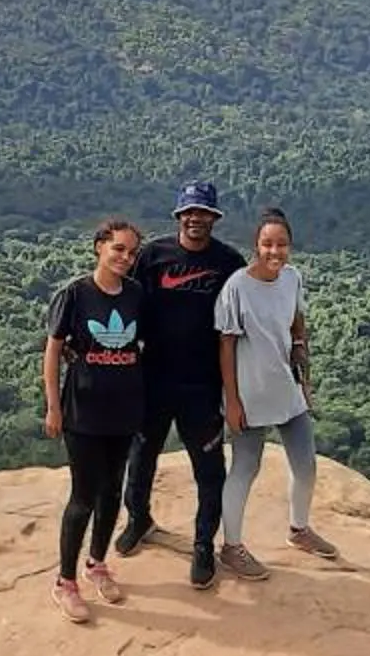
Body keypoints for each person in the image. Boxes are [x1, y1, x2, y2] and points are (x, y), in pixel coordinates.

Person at [117, 180, 246, 590]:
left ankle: (204, 544)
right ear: (178, 216)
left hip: (202, 385)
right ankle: (139, 519)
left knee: (210, 470)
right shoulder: (153, 255)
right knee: (141, 457)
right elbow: (123, 303)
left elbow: (243, 323)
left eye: (204, 213)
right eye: (189, 212)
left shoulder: (228, 263)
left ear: (214, 217)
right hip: (152, 378)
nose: (196, 219)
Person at [214, 207, 337, 580]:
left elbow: (297, 317)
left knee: (306, 465)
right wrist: (232, 401)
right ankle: (231, 547)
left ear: (291, 247)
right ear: (256, 245)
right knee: (244, 468)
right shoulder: (237, 287)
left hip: (287, 390)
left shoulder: (292, 278)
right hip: (251, 395)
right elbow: (226, 345)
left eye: (282, 244)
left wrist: (299, 345)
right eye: (267, 244)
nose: (274, 252)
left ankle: (299, 530)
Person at [43, 217, 148, 623]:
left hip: (123, 409)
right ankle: (65, 582)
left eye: (131, 251)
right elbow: (52, 351)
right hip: (82, 413)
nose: (125, 257)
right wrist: (54, 406)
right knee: (83, 495)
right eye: (118, 248)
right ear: (99, 247)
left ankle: (97, 564)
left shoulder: (136, 295)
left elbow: (146, 344)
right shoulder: (75, 294)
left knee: (111, 492)